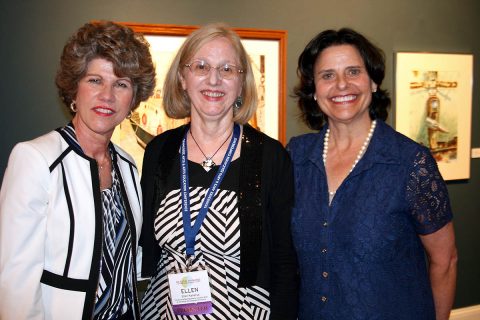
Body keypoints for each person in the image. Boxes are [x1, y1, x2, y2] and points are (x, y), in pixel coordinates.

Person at [288, 28, 457, 320]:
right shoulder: (295, 156)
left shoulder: (410, 163)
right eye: (327, 75)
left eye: (353, 71)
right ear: (314, 90)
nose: (342, 85)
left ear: (373, 81)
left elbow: (445, 261)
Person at [139, 23, 298, 319]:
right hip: (164, 311)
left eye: (227, 70)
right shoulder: (159, 152)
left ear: (241, 83)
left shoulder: (271, 157)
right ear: (183, 79)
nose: (214, 79)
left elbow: (285, 261)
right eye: (201, 66)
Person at [0, 21, 155, 319]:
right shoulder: (35, 159)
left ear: (133, 100)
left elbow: (128, 260)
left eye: (121, 84)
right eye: (95, 80)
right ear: (74, 88)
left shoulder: (127, 165)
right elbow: (15, 281)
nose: (107, 95)